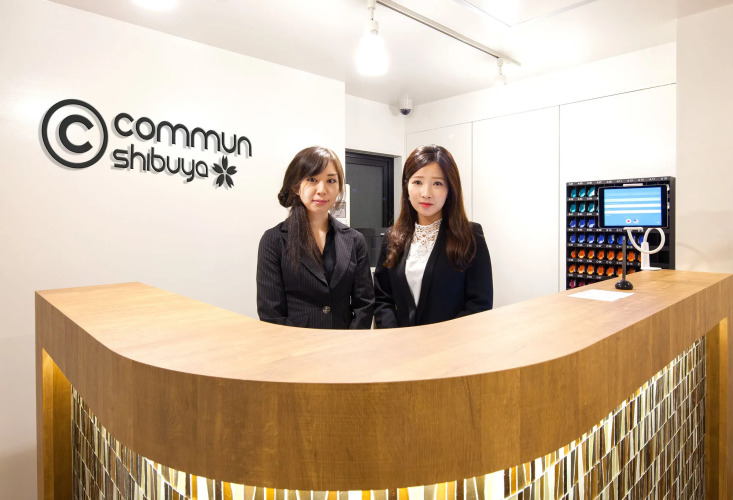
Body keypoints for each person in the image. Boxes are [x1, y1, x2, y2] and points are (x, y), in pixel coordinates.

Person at [373, 145, 493, 328]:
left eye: (437, 183)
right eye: (417, 182)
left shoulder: (470, 236)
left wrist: (439, 339)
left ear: (450, 189)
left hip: (453, 342)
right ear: (406, 186)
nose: (426, 193)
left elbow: (479, 304)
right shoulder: (393, 237)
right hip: (401, 343)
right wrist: (394, 336)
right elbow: (382, 298)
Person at [257, 146, 374, 329]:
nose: (322, 189)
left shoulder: (354, 240)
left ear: (339, 188)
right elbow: (271, 312)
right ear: (296, 186)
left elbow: (364, 304)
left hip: (344, 341)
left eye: (331, 180)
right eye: (312, 179)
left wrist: (351, 341)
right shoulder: (274, 240)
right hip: (295, 343)